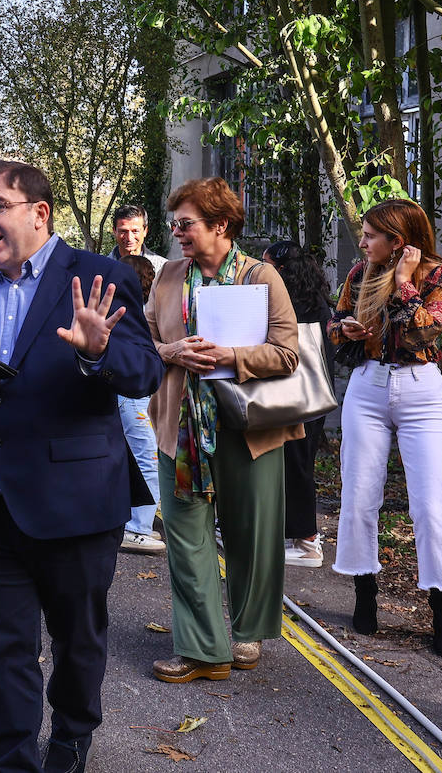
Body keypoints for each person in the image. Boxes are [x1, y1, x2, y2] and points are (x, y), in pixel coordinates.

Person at [0, 161, 162, 773]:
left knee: (77, 642)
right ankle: (12, 761)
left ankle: (73, 739)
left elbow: (144, 373)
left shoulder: (101, 275)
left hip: (75, 501)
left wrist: (99, 350)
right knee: (0, 651)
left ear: (38, 213)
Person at [145, 177, 301, 684]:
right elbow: (143, 341)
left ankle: (247, 631)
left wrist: (231, 356)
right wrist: (172, 352)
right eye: (175, 224)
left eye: (186, 224)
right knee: (186, 536)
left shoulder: (261, 277)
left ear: (220, 224)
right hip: (181, 426)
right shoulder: (167, 276)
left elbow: (287, 353)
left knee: (249, 533)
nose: (177, 233)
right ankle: (203, 648)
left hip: (248, 425)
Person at [328, 198, 442, 657]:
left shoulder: (439, 276)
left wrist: (404, 283)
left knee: (431, 504)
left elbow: (425, 333)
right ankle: (366, 597)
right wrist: (343, 330)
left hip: (422, 392)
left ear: (398, 243)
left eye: (370, 235)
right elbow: (334, 323)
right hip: (367, 387)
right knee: (359, 495)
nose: (362, 242)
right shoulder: (358, 274)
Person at [262, 240, 334, 569]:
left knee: (297, 463)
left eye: (267, 266)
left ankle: (307, 541)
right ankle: (299, 536)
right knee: (295, 461)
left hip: (298, 393)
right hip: (310, 393)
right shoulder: (313, 300)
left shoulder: (290, 302)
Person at [119, 254, 166, 554]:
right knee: (149, 459)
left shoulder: (119, 308)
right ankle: (137, 528)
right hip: (132, 396)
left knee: (138, 456)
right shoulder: (138, 311)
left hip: (127, 396)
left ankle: (135, 523)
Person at [110, 203, 167, 271]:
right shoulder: (101, 268)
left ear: (145, 231)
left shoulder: (163, 268)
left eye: (135, 231)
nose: (129, 238)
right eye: (123, 231)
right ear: (114, 231)